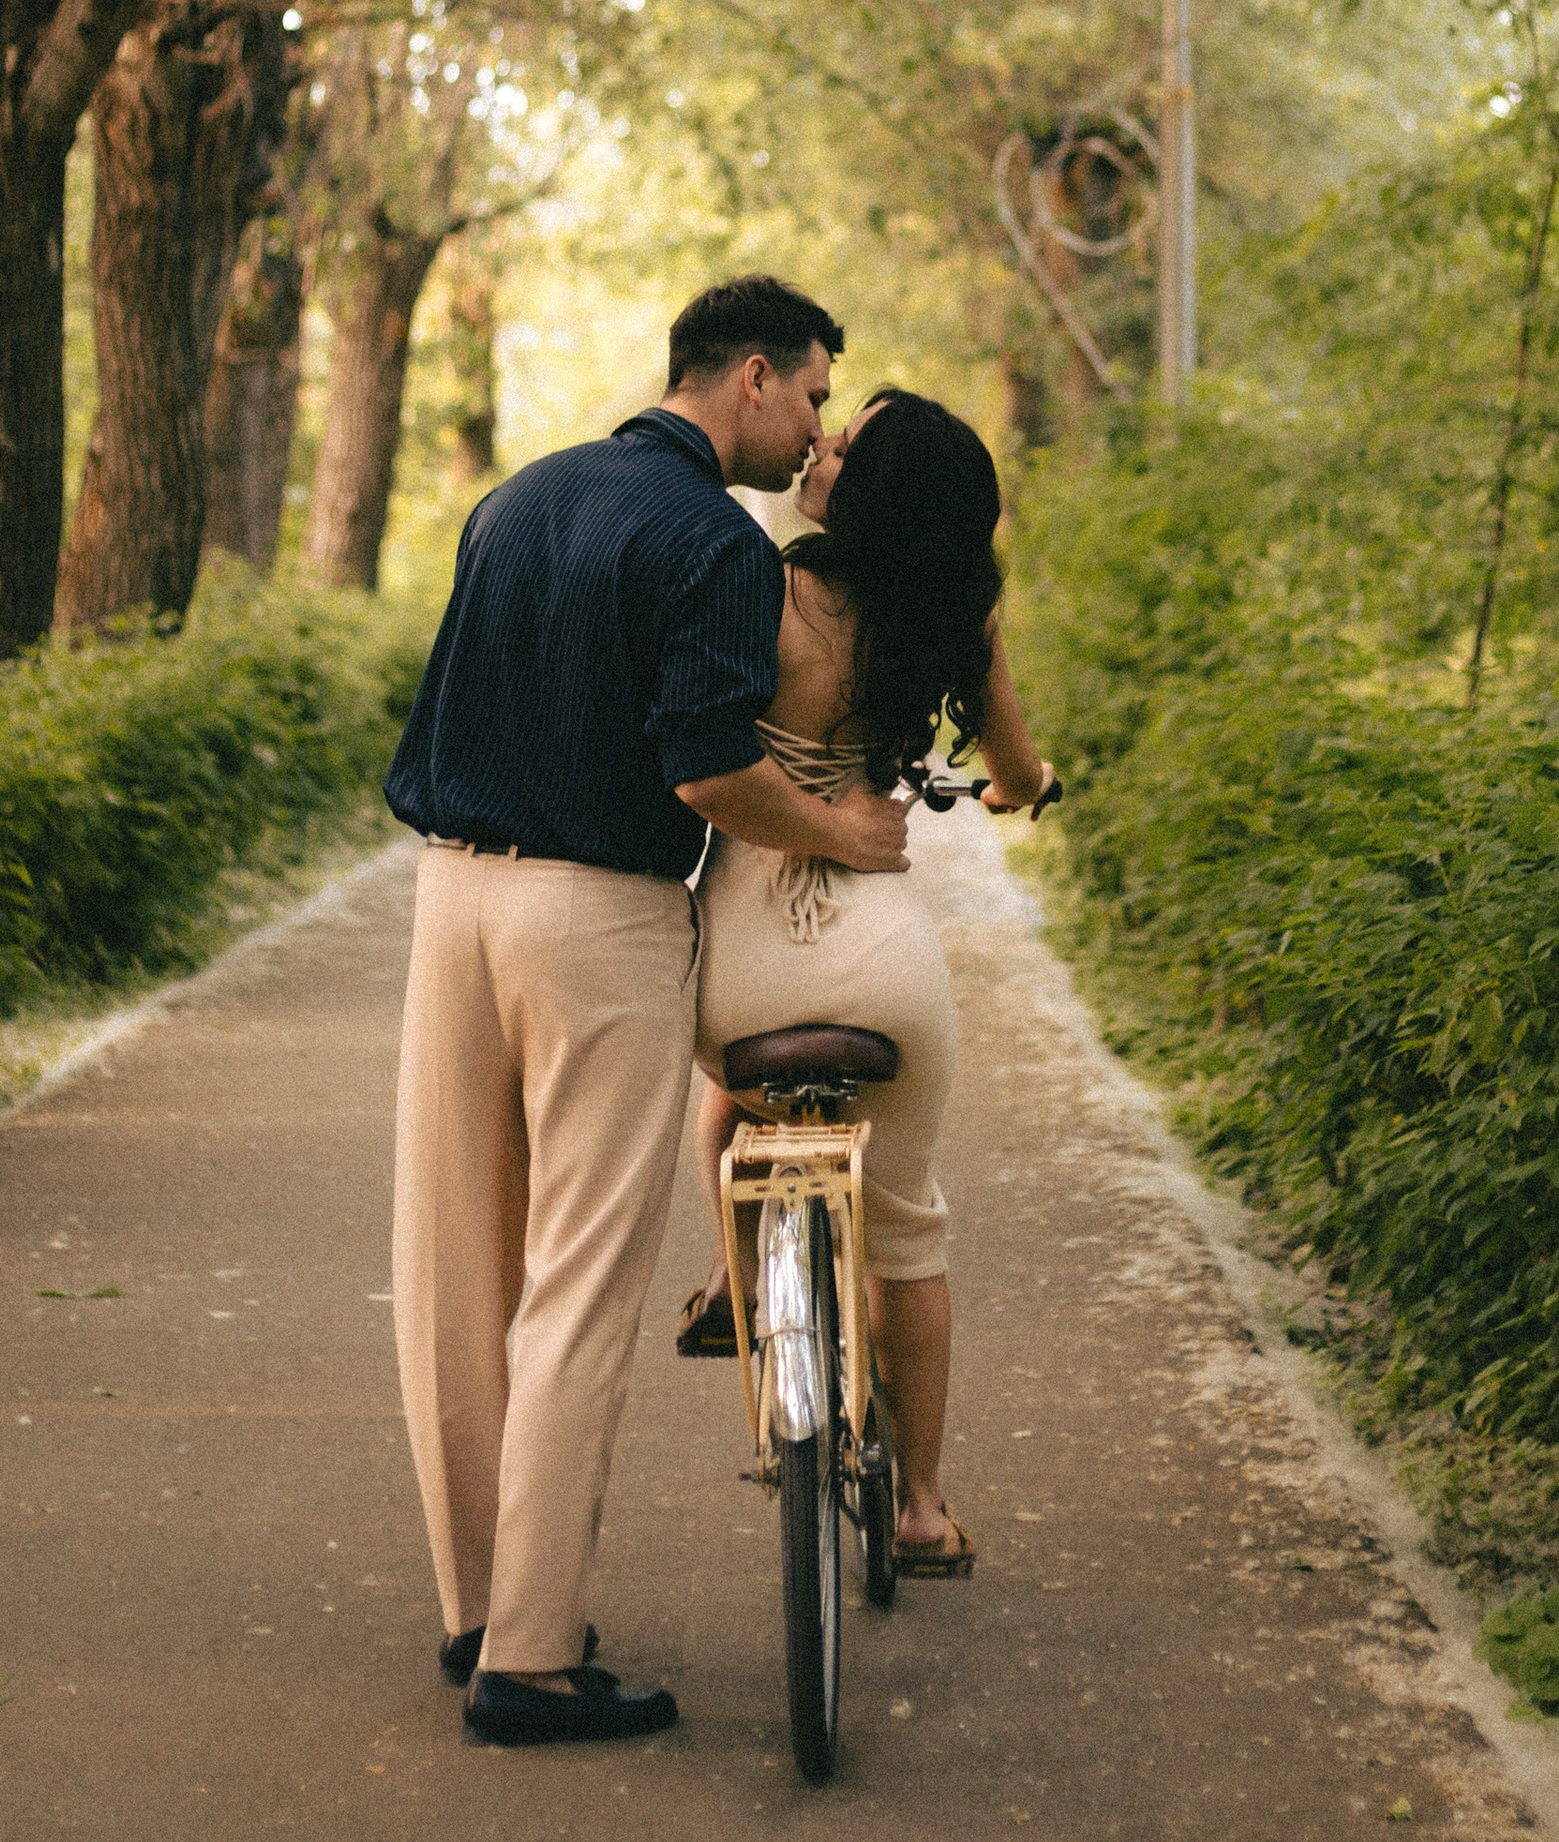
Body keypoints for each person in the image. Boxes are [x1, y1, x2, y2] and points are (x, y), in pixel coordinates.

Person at [383, 273, 912, 1749]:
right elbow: (706, 772)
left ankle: (479, 1608)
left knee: (455, 1270)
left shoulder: (521, 497)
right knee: (580, 1277)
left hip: (449, 896)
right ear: (749, 376)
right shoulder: (713, 543)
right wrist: (840, 829)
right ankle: (535, 1666)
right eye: (809, 394)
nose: (812, 428)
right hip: (595, 911)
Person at [677, 388, 1056, 1577]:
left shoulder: (763, 588)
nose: (821, 444)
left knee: (725, 1117)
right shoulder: (956, 619)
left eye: (846, 441)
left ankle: (742, 1281)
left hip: (737, 966)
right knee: (907, 1229)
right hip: (883, 967)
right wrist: (1021, 790)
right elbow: (1013, 765)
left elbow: (708, 747)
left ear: (868, 489)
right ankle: (925, 1509)